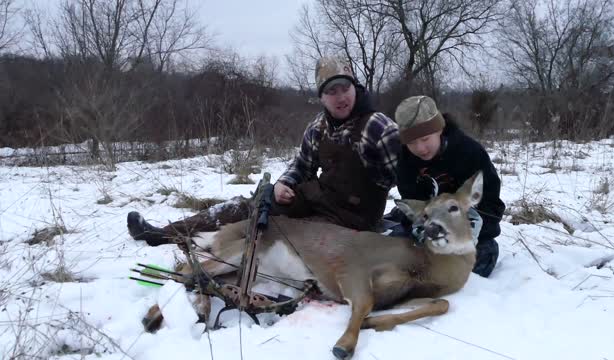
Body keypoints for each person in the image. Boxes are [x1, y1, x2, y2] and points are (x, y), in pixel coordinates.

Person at [128, 55, 401, 245]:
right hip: (320, 201)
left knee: (282, 235)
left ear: (356, 87)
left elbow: (408, 177)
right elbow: (301, 166)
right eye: (331, 91)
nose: (340, 96)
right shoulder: (317, 127)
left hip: (353, 222)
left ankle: (226, 248)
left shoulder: (379, 128)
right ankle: (164, 234)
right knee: (255, 205)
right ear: (321, 97)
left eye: (345, 87)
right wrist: (285, 182)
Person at [384, 95, 505, 277]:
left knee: (472, 266)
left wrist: (461, 235)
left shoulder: (470, 153)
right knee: (392, 255)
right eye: (412, 142)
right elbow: (414, 206)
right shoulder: (406, 161)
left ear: (439, 129)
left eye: (425, 139)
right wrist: (423, 234)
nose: (421, 148)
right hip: (428, 231)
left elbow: (492, 208)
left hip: (468, 232)